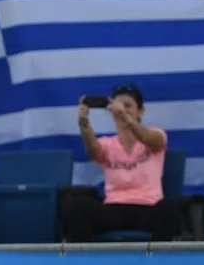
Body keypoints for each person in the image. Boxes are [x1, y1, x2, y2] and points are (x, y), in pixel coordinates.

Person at [65, 85, 174, 242]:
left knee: (170, 207)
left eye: (128, 106)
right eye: (118, 107)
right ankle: (87, 262)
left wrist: (125, 117)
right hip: (114, 208)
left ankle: (157, 262)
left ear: (141, 111)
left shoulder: (157, 134)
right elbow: (93, 150)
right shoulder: (107, 144)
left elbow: (150, 140)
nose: (121, 110)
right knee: (77, 207)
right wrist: (84, 124)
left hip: (148, 208)